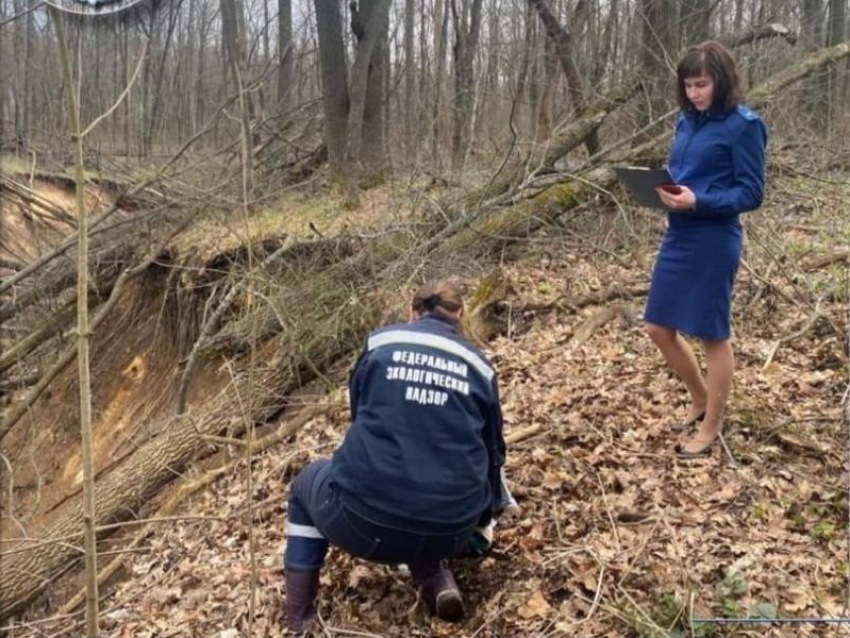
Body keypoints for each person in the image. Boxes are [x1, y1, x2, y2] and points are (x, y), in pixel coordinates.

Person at [282, 281, 510, 633]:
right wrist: (483, 516)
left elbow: (360, 416)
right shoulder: (480, 367)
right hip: (453, 529)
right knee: (430, 484)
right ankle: (438, 582)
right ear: (461, 316)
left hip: (362, 524)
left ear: (411, 312)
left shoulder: (381, 343)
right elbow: (494, 453)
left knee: (303, 487)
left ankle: (299, 620)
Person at [645, 41, 768, 457]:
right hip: (678, 234)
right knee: (658, 327)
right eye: (688, 85)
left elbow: (751, 193)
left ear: (722, 80)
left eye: (702, 84)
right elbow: (686, 171)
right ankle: (699, 398)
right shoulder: (686, 122)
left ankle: (713, 423)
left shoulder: (744, 125)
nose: (695, 93)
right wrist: (665, 189)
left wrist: (700, 200)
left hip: (715, 238)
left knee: (713, 333)